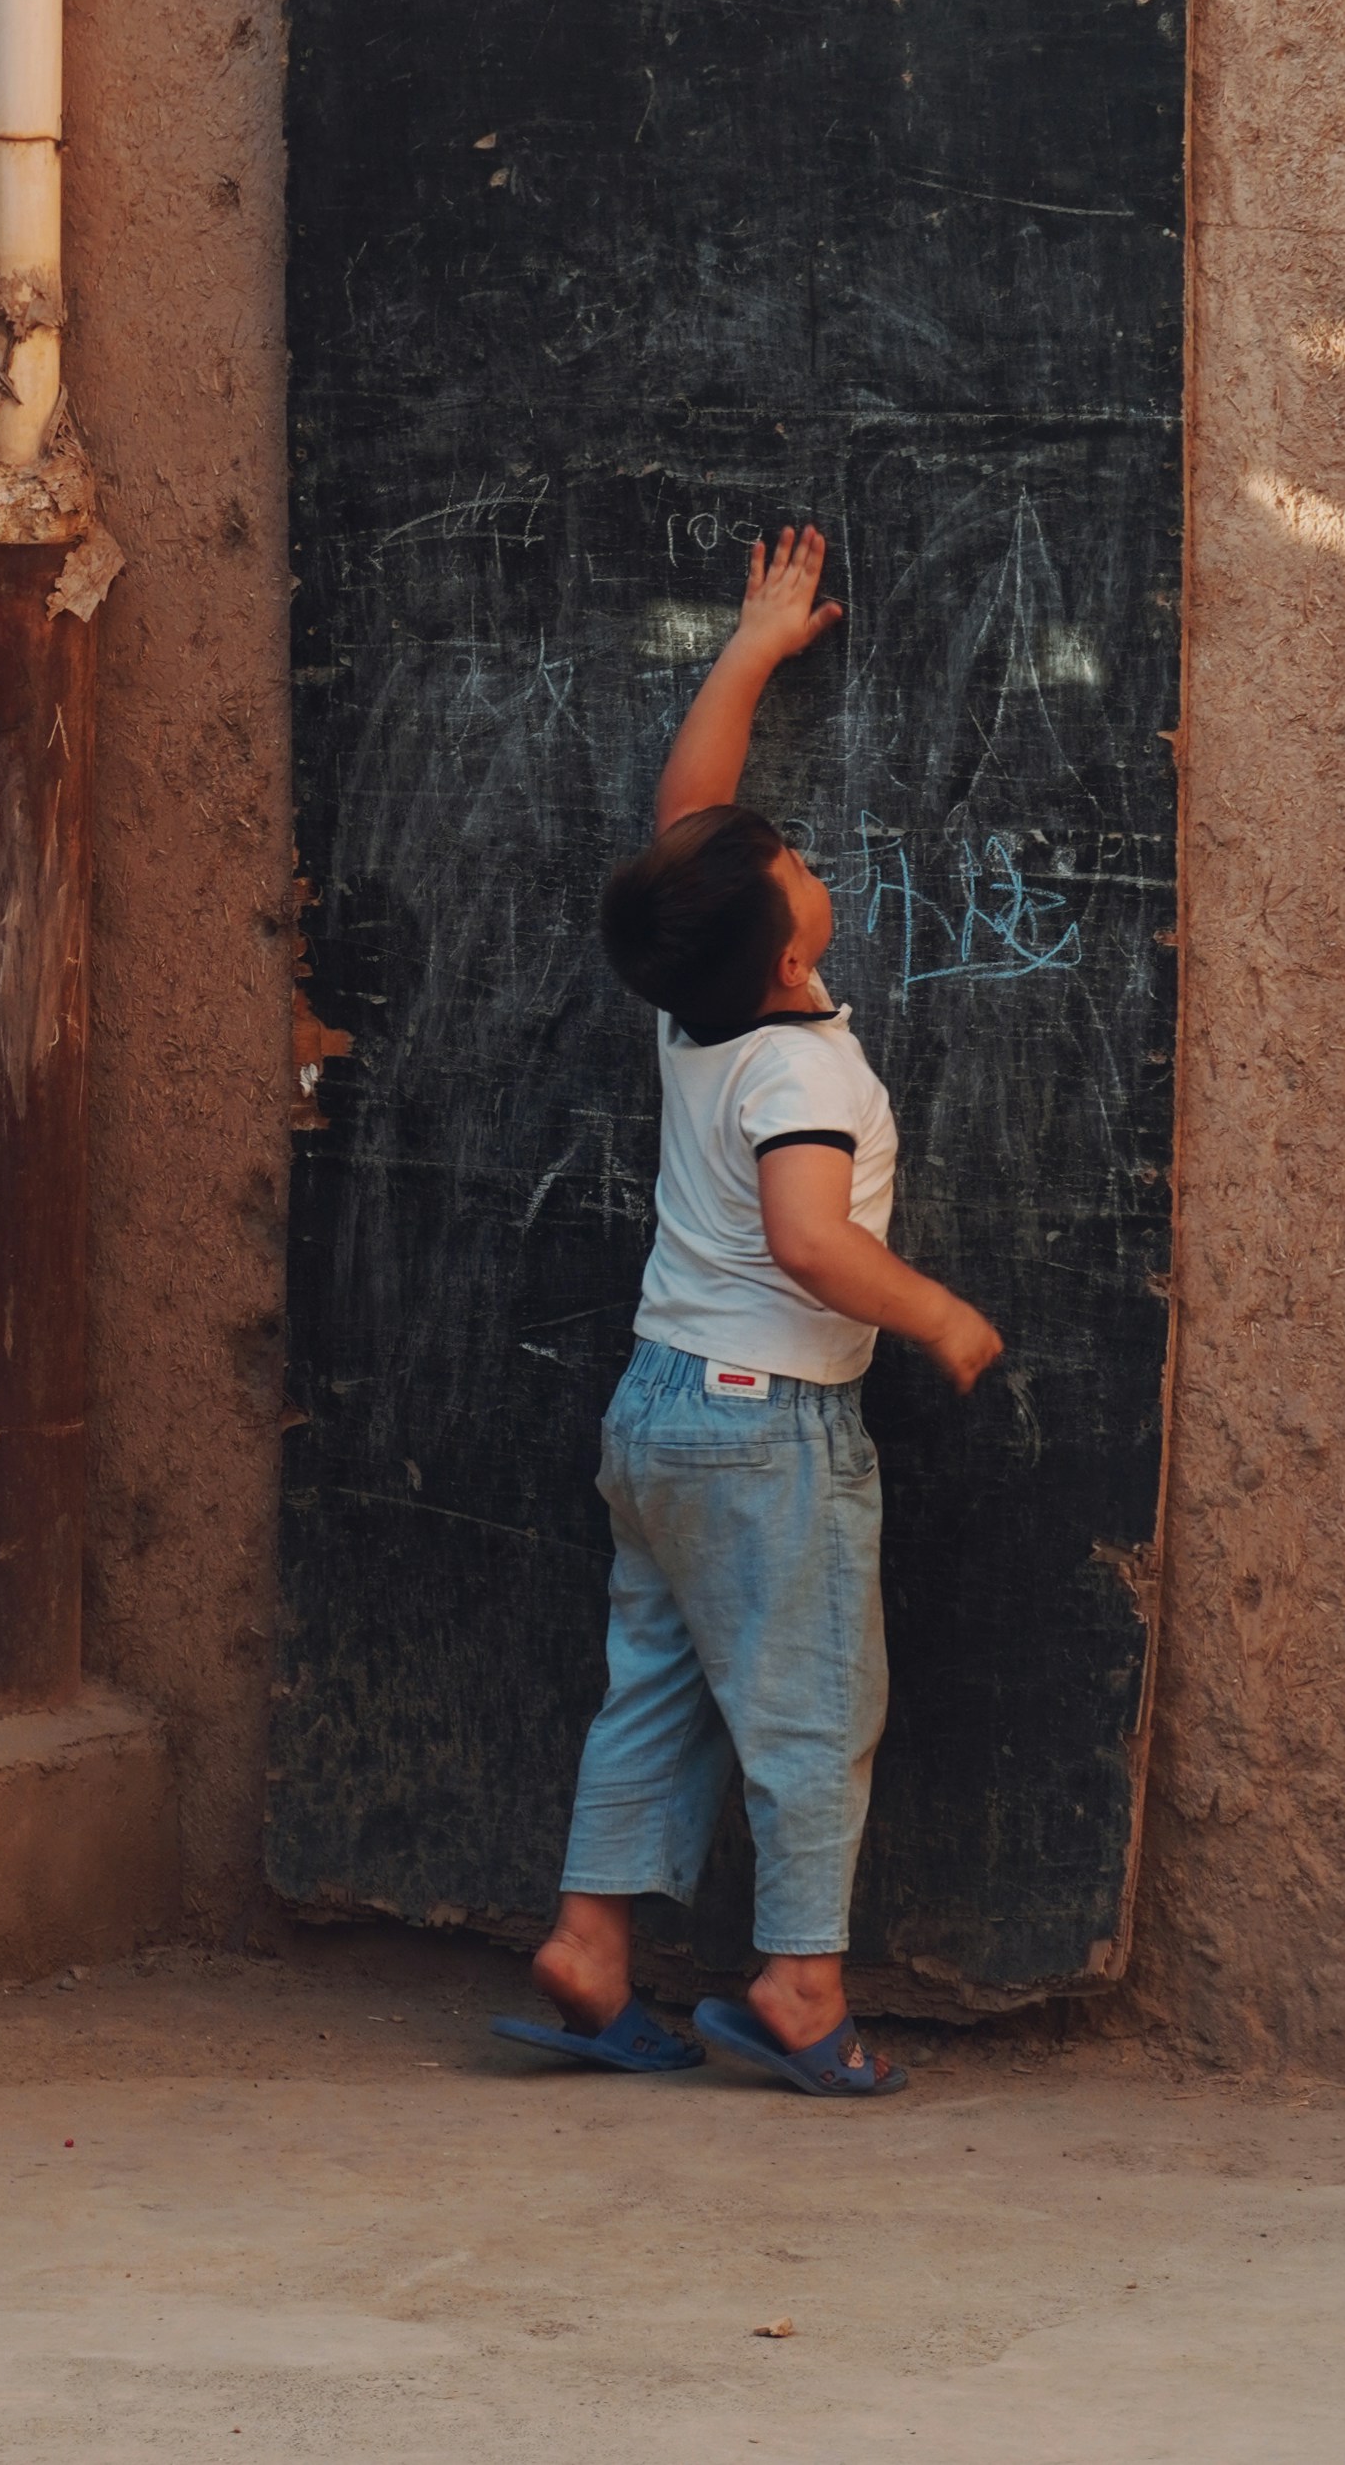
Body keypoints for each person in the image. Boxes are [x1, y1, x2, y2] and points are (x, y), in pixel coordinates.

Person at [494, 525, 1003, 2101]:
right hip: (762, 1427)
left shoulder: (694, 1013)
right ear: (790, 953)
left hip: (657, 1413)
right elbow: (802, 1239)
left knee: (652, 1689)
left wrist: (749, 651)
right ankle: (796, 1984)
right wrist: (934, 1315)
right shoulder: (800, 1069)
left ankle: (591, 1946)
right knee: (809, 1713)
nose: (802, 856)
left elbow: (685, 831)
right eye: (795, 868)